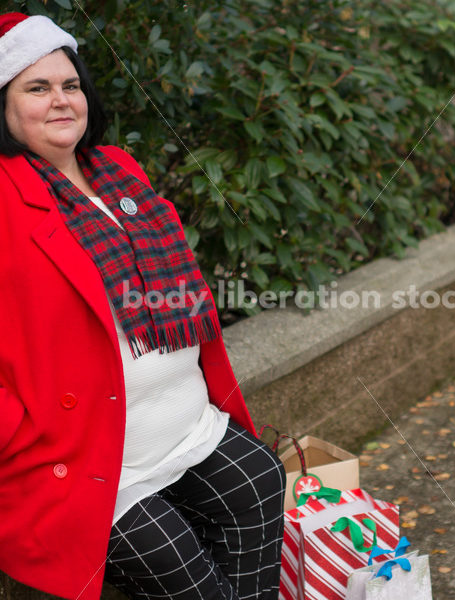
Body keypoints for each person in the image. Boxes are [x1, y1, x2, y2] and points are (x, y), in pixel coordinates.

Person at [0, 12, 285, 600]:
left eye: (70, 84)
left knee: (261, 479)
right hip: (90, 462)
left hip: (188, 424)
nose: (60, 100)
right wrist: (17, 438)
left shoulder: (119, 169)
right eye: (36, 88)